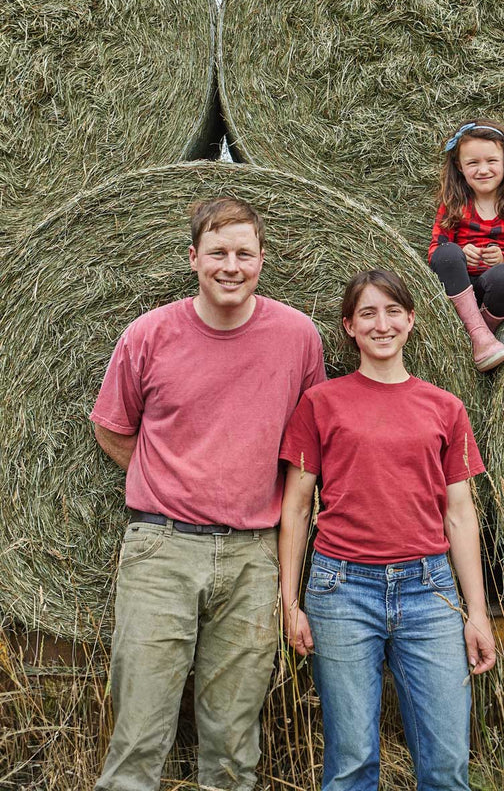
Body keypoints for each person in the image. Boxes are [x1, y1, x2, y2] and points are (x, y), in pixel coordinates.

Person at [91, 197, 325, 791]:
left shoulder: (298, 336)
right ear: (193, 258)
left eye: (244, 253)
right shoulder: (150, 333)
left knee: (232, 746)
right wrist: (169, 479)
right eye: (218, 252)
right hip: (161, 550)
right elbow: (112, 426)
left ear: (262, 261)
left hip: (252, 555)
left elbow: (308, 440)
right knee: (139, 735)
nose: (231, 265)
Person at [279, 268, 496, 791]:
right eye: (368, 314)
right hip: (341, 590)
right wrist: (289, 602)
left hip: (429, 593)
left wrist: (477, 614)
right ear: (349, 327)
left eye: (393, 311)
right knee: (352, 762)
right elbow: (296, 507)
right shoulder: (320, 403)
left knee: (446, 764)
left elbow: (460, 514)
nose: (382, 324)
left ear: (412, 320)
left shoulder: (445, 407)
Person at [427, 120, 504, 372]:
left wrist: (503, 259)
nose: (483, 170)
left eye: (491, 161)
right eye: (473, 163)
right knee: (448, 253)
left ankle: (479, 336)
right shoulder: (454, 204)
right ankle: (480, 337)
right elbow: (434, 252)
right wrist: (462, 255)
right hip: (457, 288)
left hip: (492, 293)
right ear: (460, 167)